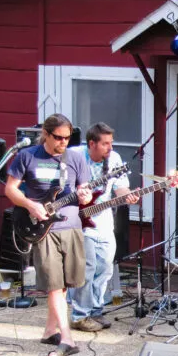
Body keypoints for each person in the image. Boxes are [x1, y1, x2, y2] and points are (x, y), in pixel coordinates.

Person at [5, 114, 92, 356]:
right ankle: (67, 338)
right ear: (46, 133)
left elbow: (83, 193)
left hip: (71, 226)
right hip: (42, 229)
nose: (63, 142)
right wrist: (31, 206)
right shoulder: (27, 156)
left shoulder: (75, 158)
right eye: (58, 138)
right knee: (53, 286)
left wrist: (85, 197)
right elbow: (10, 189)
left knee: (64, 286)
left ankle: (48, 332)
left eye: (67, 138)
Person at [67, 123, 138, 331]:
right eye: (105, 144)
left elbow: (120, 188)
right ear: (92, 144)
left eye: (111, 143)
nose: (110, 148)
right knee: (87, 268)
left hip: (104, 217)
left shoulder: (114, 159)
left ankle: (96, 311)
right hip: (79, 218)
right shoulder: (74, 155)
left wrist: (129, 196)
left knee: (105, 268)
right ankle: (80, 314)